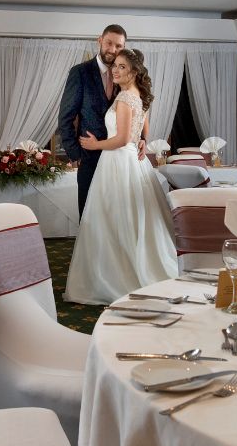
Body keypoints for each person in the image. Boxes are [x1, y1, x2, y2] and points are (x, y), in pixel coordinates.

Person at [64, 49, 178, 305]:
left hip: (117, 161)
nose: (115, 70)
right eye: (115, 66)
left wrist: (95, 145)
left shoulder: (126, 97)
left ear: (134, 72)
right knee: (124, 218)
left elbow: (123, 139)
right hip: (130, 162)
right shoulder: (138, 97)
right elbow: (141, 132)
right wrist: (142, 141)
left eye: (122, 67)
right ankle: (122, 266)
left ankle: (115, 274)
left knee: (112, 217)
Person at [58, 24, 127, 216]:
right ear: (100, 41)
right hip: (89, 158)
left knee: (116, 217)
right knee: (90, 216)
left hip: (118, 159)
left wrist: (143, 139)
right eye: (109, 43)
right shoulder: (79, 73)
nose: (113, 50)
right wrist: (75, 154)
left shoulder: (126, 77)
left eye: (119, 46)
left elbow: (139, 110)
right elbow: (65, 117)